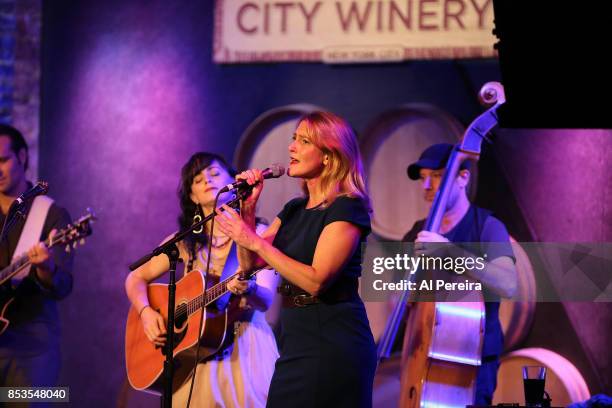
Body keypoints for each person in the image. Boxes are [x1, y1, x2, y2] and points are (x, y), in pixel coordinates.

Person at [214, 111, 377, 408]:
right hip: (295, 344)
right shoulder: (294, 209)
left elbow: (316, 281)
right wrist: (249, 211)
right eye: (294, 139)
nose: (291, 148)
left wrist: (251, 240)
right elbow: (250, 265)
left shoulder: (347, 209)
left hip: (333, 343)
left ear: (329, 156)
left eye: (303, 141)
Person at [125, 152, 279, 408]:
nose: (207, 179)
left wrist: (248, 287)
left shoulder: (260, 233)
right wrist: (145, 312)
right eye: (197, 179)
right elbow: (135, 277)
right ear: (193, 197)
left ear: (233, 180)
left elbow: (264, 300)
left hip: (244, 347)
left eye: (215, 173)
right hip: (194, 358)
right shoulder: (185, 242)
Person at [401, 143, 518, 405]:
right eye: (423, 178)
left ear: (463, 178)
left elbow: (507, 284)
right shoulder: (417, 232)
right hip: (420, 356)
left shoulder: (487, 226)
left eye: (438, 176)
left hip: (471, 362)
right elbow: (400, 297)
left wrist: (450, 252)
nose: (427, 186)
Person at [0, 124, 74, 389]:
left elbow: (63, 285)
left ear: (21, 157)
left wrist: (46, 268)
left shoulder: (51, 214)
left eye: (3, 160)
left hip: (33, 350)